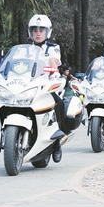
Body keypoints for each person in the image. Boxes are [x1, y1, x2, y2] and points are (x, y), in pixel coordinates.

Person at [27, 14, 63, 163]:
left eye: (42, 29)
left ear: (47, 31)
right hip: (28, 86)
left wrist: (53, 69)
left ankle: (57, 142)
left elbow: (54, 60)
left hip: (46, 85)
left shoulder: (53, 48)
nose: (38, 32)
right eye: (35, 29)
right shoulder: (25, 49)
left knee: (58, 104)